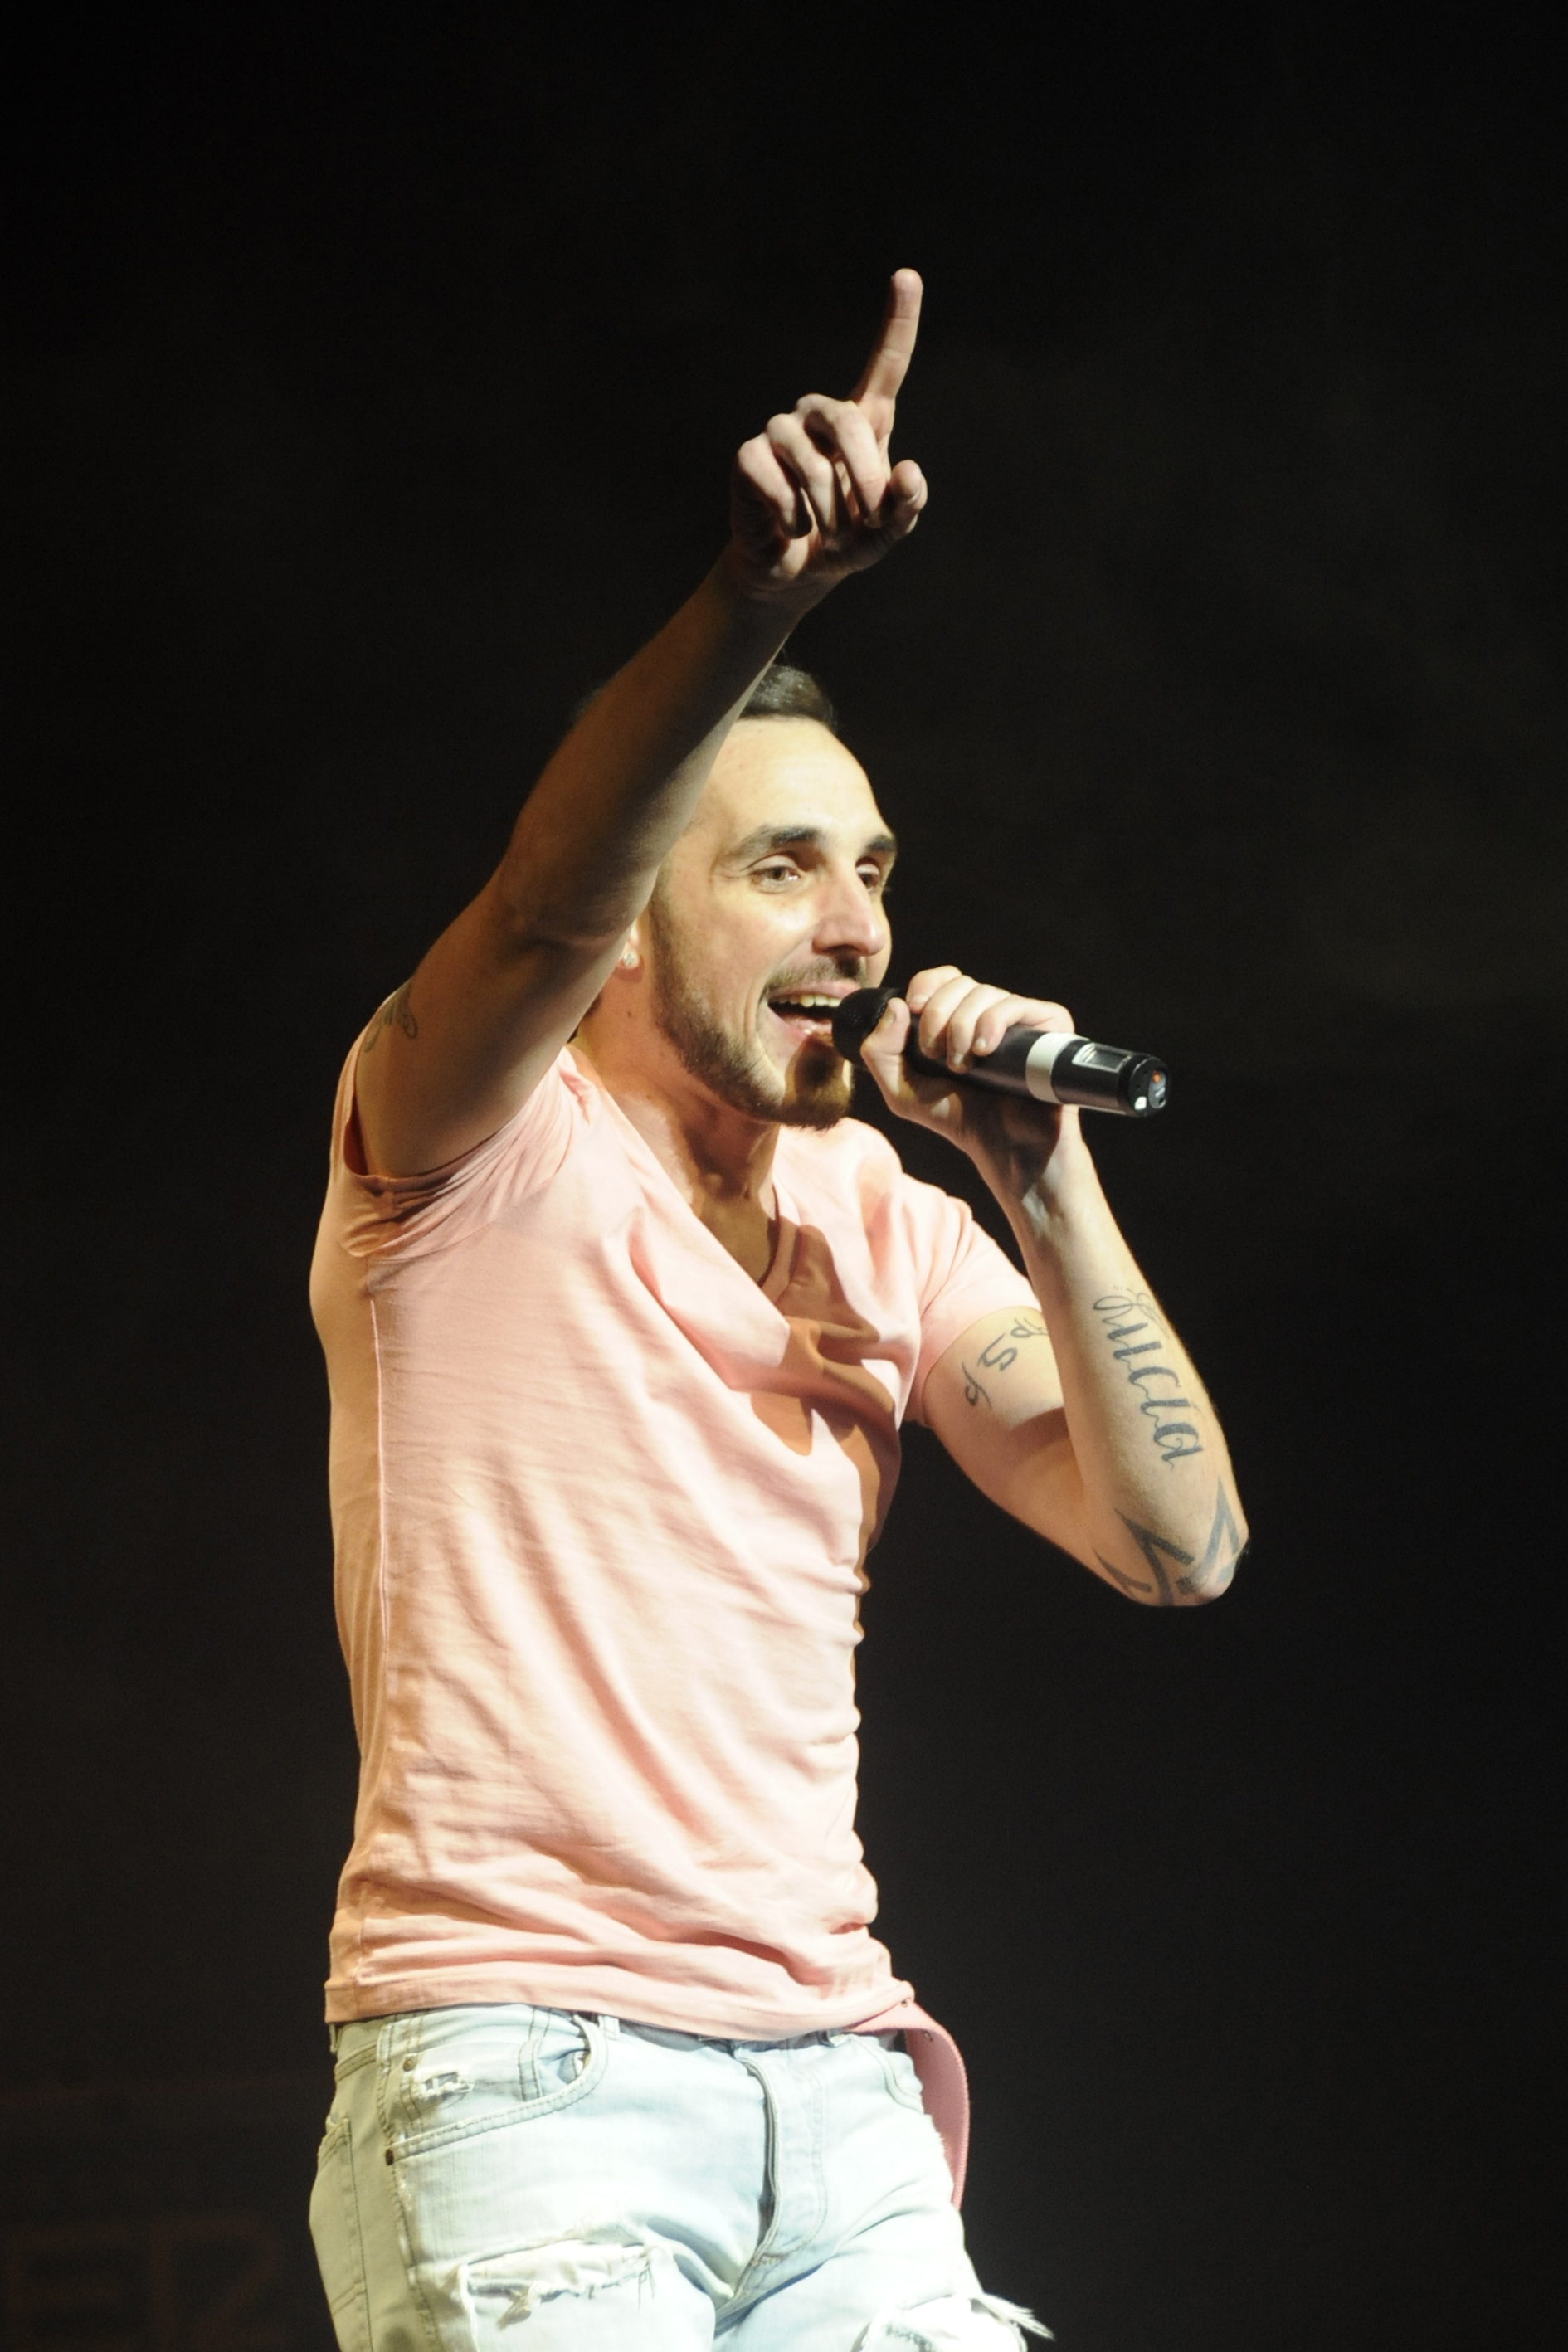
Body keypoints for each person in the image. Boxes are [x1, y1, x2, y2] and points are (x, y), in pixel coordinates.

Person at [308, 270, 1247, 2350]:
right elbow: (540, 897)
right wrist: (762, 594)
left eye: (875, 870)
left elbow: (1179, 1546)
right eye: (781, 869)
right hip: (532, 2073)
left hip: (843, 2098)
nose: (858, 926)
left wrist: (1044, 1179)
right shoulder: (466, 1142)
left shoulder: (883, 1214)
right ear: (637, 929)